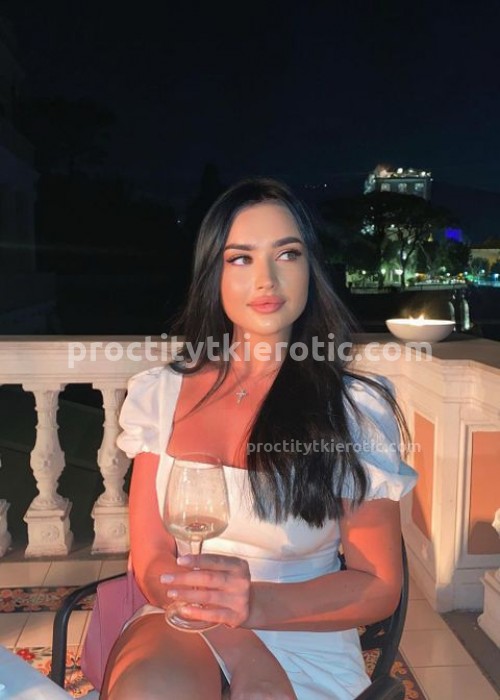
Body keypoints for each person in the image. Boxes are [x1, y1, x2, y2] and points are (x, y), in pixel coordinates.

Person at [102, 178, 417, 700]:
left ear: (311, 269)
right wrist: (240, 639)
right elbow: (152, 558)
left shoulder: (353, 410)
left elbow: (379, 585)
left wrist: (255, 606)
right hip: (183, 619)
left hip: (308, 625)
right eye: (241, 259)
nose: (266, 279)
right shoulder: (160, 396)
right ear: (214, 274)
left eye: (287, 254)